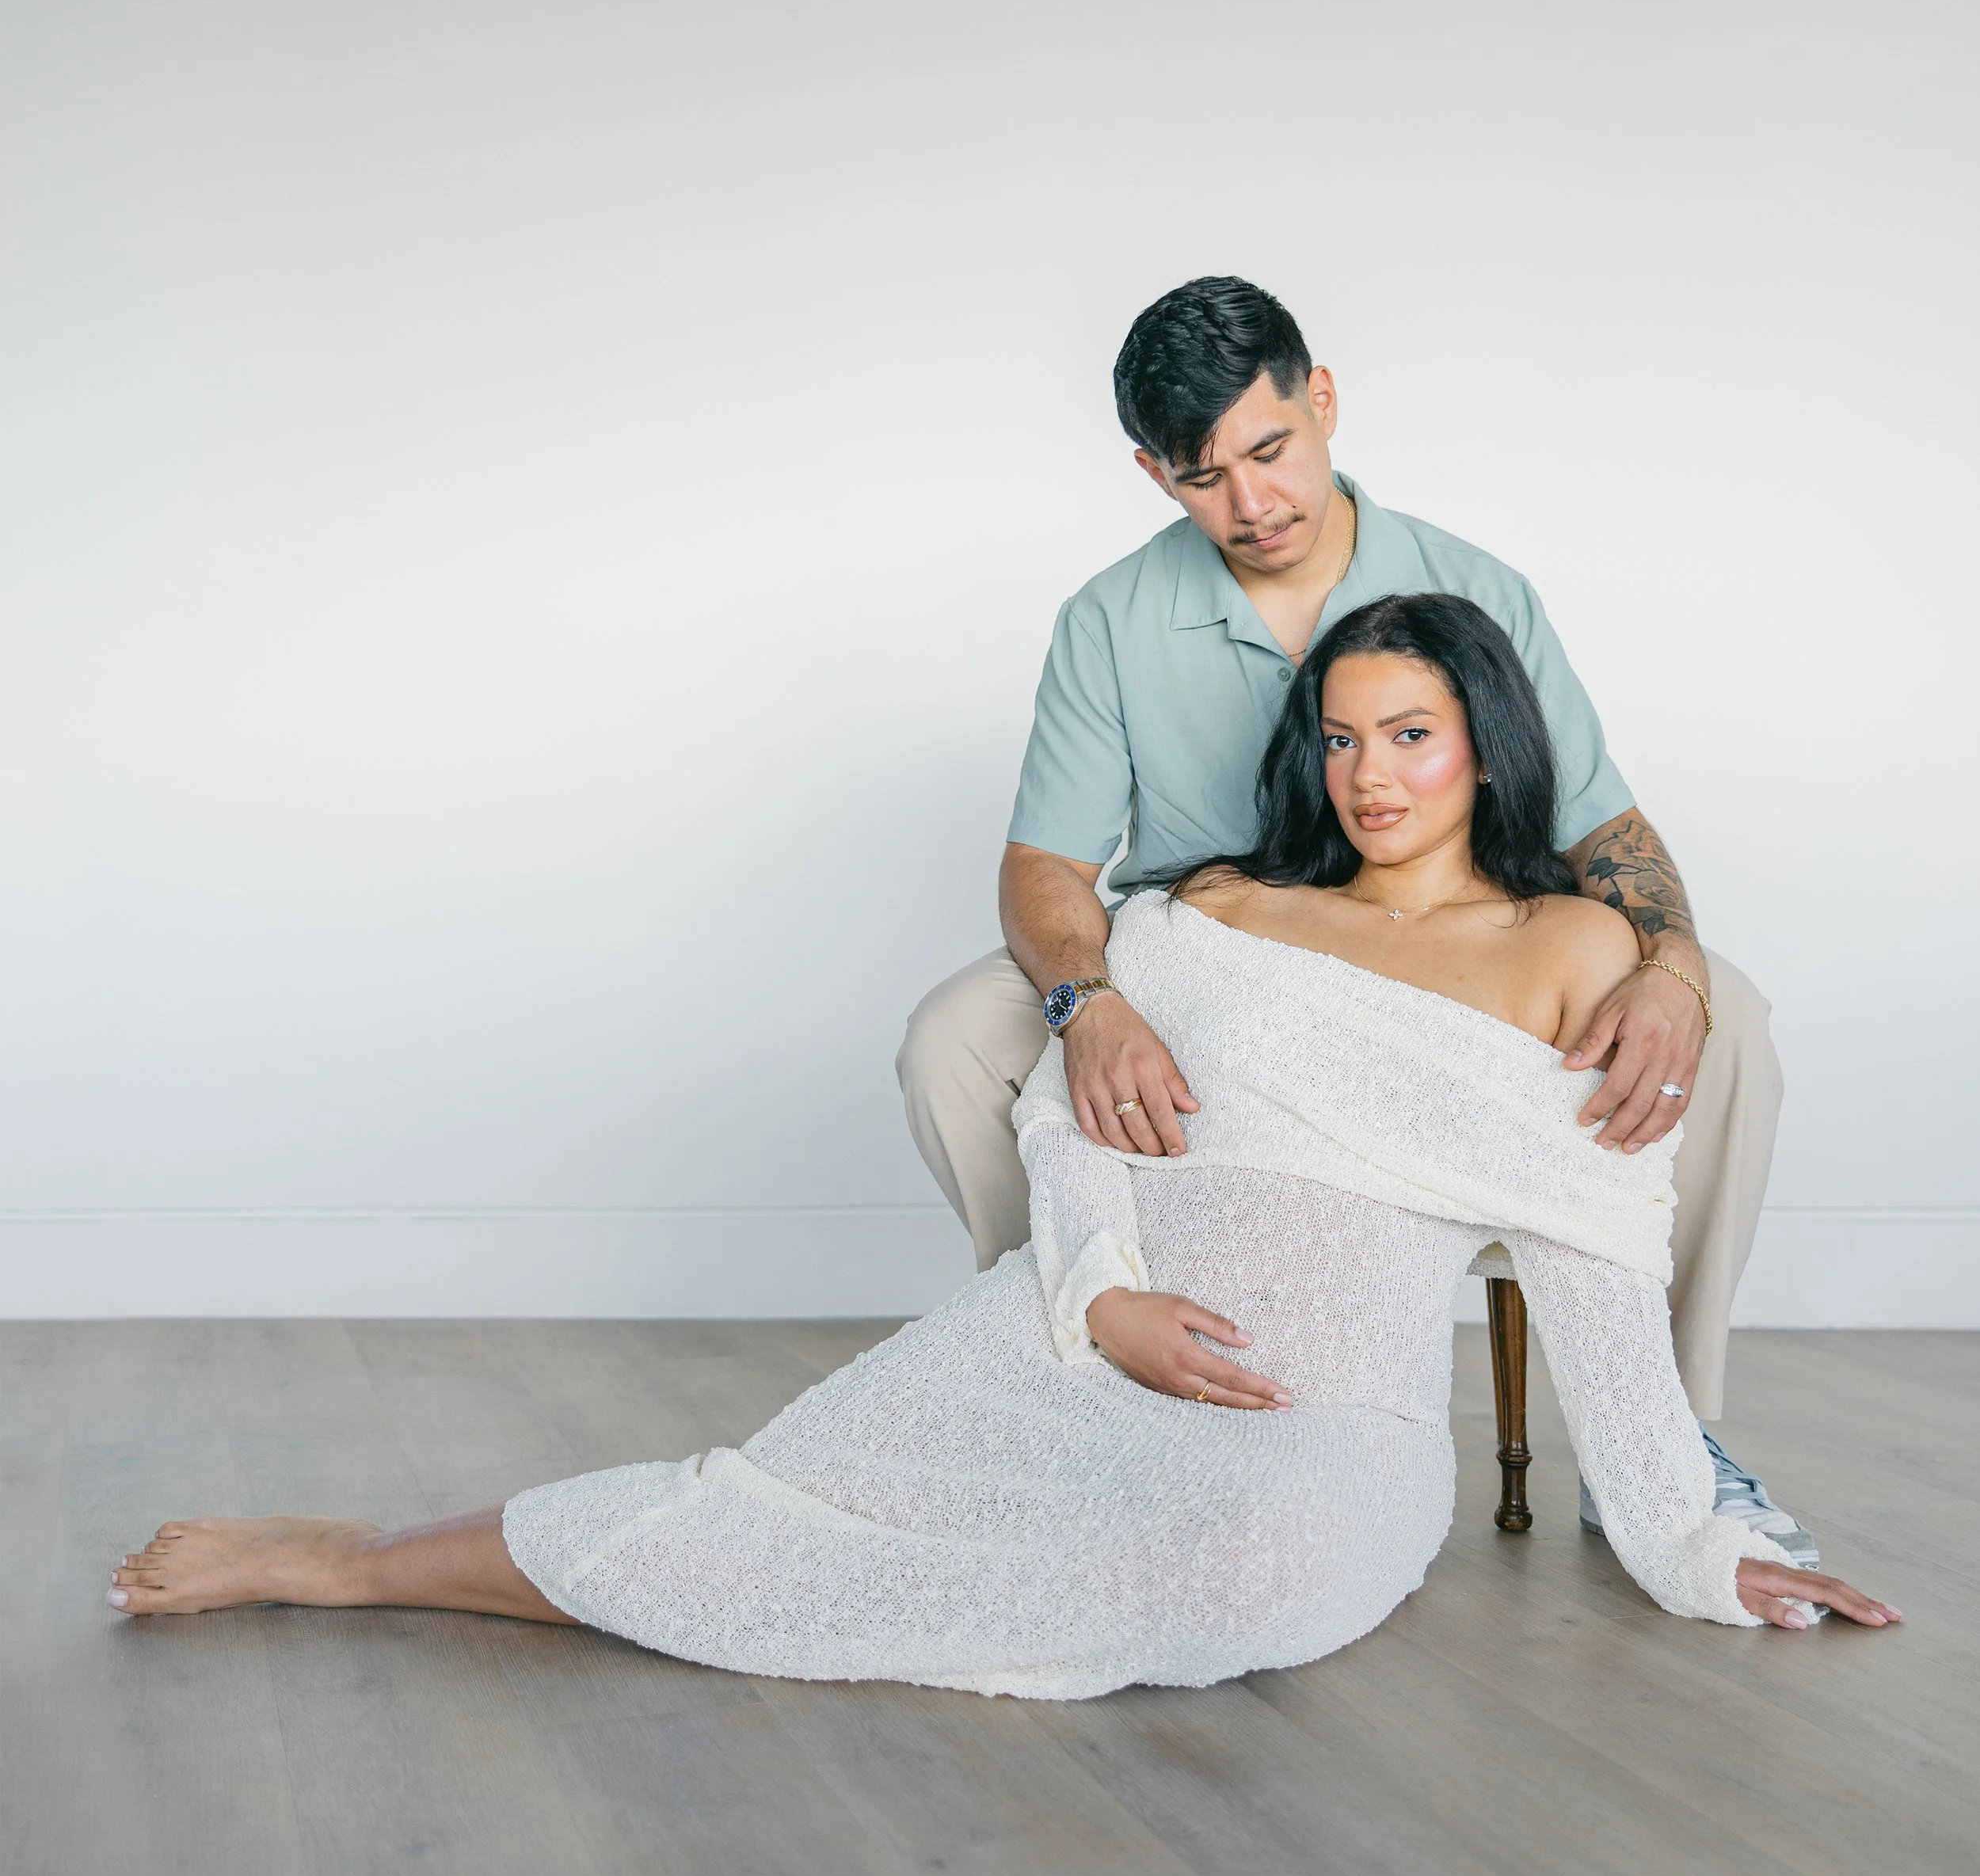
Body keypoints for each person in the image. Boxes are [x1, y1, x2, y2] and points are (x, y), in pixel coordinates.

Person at [107, 598, 1896, 1684]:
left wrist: (1683, 1535)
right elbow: (1070, 1112)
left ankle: (879, 1600)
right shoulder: (1223, 907)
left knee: (1257, 1579)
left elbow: (1589, 1250)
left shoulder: (1567, 949)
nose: (1369, 776)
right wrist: (1101, 1302)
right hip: (1081, 1335)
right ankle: (347, 1562)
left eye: (1411, 736)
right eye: (1341, 738)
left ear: (1484, 751)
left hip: (1314, 1416)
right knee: (770, 1496)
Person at [900, 274, 1814, 1561]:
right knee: (951, 1034)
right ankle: (1081, 1345)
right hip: (1209, 962)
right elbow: (1045, 867)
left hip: (1452, 952)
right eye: (1199, 476)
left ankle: (1668, 1430)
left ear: (1321, 400)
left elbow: (1606, 831)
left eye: (1271, 449)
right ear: (1154, 473)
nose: (1252, 502)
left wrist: (1672, 965)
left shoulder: (1476, 582)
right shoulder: (1108, 619)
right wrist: (1087, 1001)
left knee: (1734, 1023)